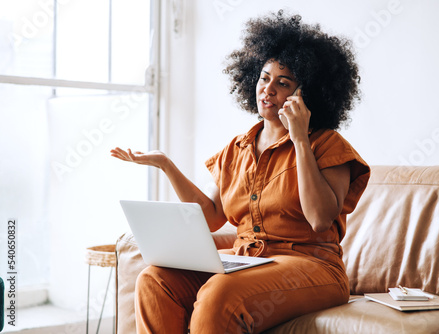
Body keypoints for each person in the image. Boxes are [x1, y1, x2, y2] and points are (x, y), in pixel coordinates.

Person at [111, 10, 370, 334]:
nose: (268, 89)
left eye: (283, 82)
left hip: (313, 266)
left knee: (220, 293)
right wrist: (166, 164)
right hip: (247, 260)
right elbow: (211, 217)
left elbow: (319, 218)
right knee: (155, 279)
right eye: (264, 78)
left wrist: (300, 138)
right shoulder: (238, 148)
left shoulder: (326, 144)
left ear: (307, 92)